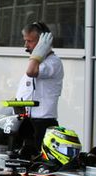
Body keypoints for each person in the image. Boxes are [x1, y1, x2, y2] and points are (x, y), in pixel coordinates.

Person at [15, 21, 64, 157]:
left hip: (42, 124)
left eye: (30, 41)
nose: (26, 46)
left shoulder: (53, 62)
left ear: (43, 42)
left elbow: (31, 71)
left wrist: (37, 54)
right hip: (28, 122)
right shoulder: (36, 62)